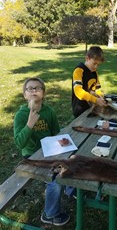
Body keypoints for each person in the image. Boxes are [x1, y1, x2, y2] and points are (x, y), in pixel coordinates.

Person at [14, 77, 70, 226]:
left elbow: (55, 133)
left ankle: (71, 191)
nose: (33, 90)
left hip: (50, 152)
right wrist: (30, 124)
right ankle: (50, 214)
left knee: (71, 163)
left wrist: (62, 143)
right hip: (31, 156)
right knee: (55, 180)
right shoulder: (21, 115)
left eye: (37, 88)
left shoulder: (49, 111)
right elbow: (19, 143)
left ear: (43, 93)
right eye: (29, 88)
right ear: (25, 95)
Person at [72, 46, 107, 118]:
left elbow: (97, 89)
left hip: (92, 107)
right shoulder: (78, 71)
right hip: (80, 108)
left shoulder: (95, 73)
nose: (96, 67)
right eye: (94, 63)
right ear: (87, 58)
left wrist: (100, 96)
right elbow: (78, 91)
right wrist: (95, 100)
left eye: (98, 64)